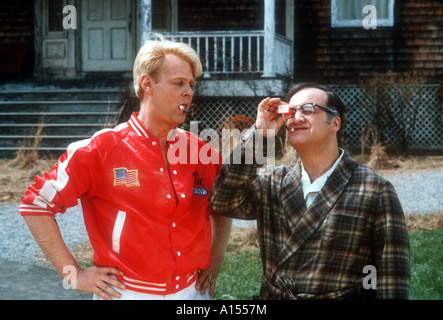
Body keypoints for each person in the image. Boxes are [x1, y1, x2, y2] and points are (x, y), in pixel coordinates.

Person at [20, 36, 232, 300]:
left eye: (191, 84)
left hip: (193, 293)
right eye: (178, 83)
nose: (189, 91)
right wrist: (74, 273)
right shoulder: (102, 148)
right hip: (126, 294)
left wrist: (217, 256)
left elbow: (222, 206)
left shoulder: (202, 152)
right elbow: (36, 205)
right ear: (147, 84)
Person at [209, 82, 410, 299]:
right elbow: (223, 200)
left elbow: (392, 279)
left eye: (308, 109)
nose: (295, 118)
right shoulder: (272, 183)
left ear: (334, 123)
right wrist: (260, 134)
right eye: (290, 111)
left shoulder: (375, 190)